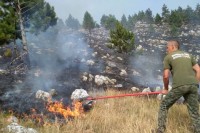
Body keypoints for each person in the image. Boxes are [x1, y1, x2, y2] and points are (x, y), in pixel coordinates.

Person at [157, 40, 200, 133]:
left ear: (173, 47)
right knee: (194, 110)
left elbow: (165, 75)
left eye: (167, 47)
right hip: (193, 85)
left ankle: (160, 130)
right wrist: (195, 83)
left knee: (164, 105)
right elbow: (198, 69)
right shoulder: (188, 55)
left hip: (180, 85)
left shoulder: (168, 57)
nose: (166, 49)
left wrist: (165, 88)